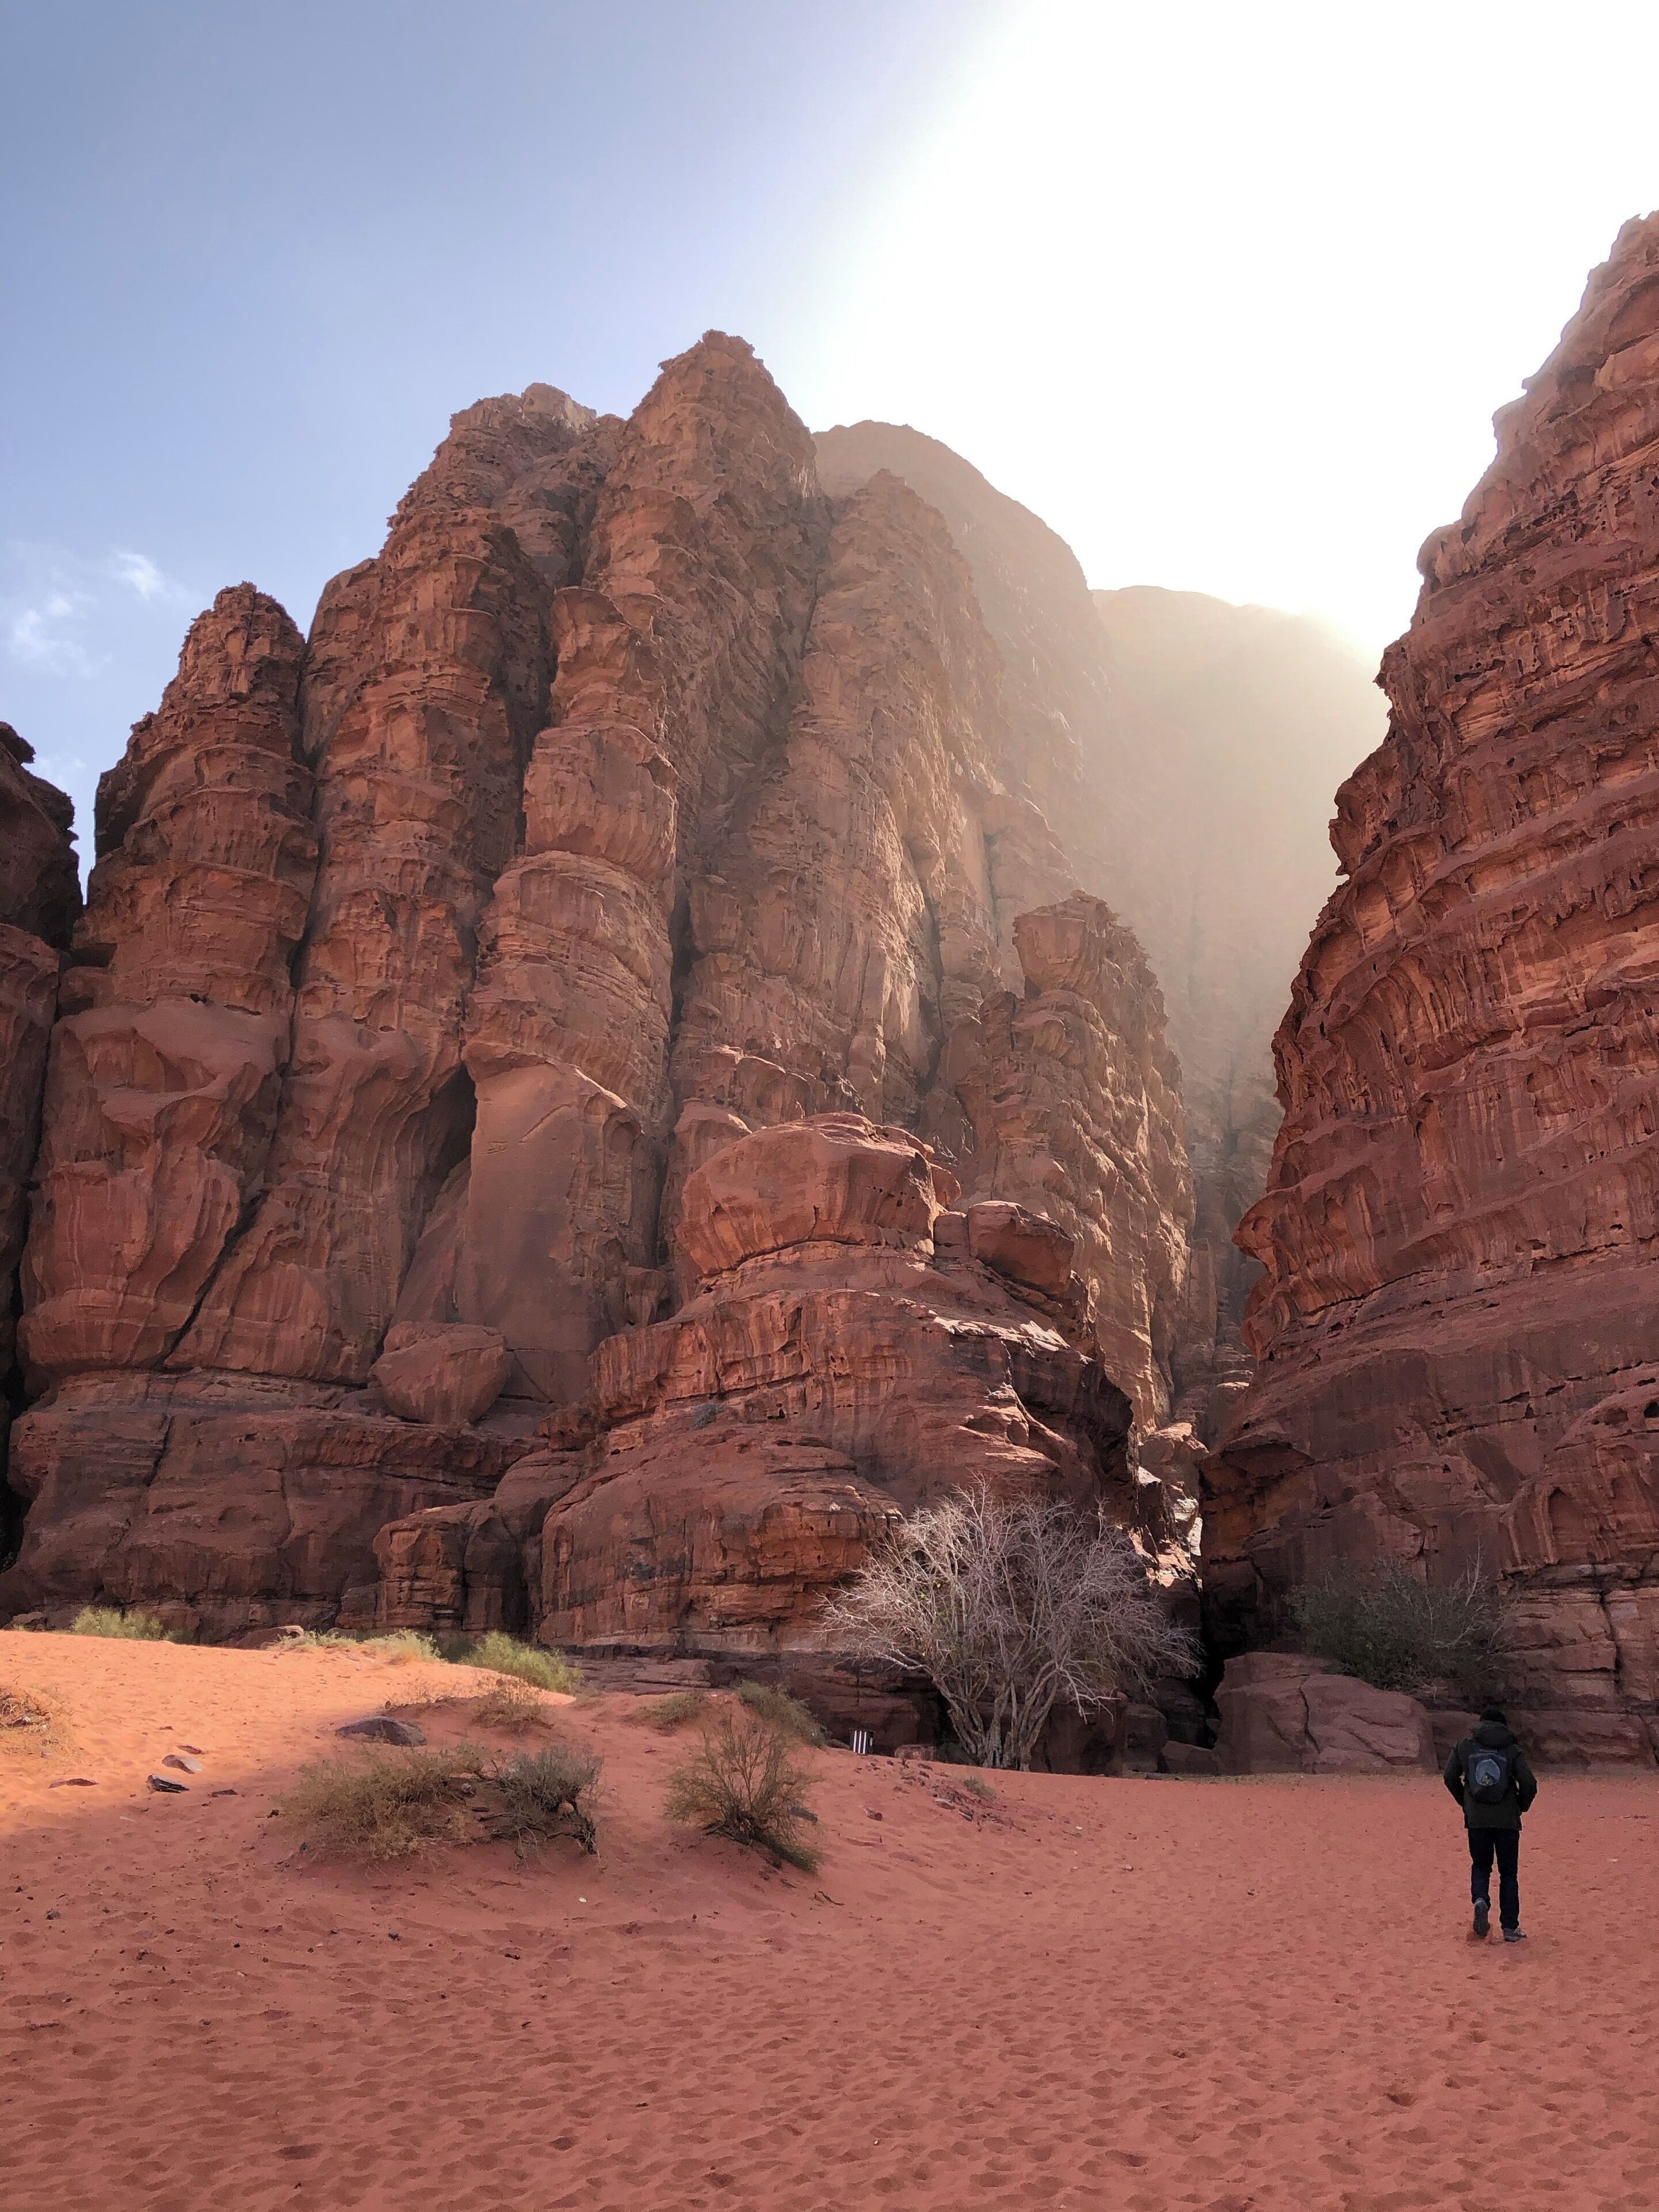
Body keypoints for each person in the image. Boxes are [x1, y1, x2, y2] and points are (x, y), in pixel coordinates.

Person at [1442, 1706, 1537, 1942]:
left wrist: (1465, 1802)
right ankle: (1510, 1928)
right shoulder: (1512, 1749)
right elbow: (1529, 1783)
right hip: (1507, 1821)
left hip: (1477, 1819)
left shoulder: (1465, 1746)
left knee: (1481, 1864)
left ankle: (1481, 1899)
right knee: (1508, 1873)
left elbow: (1449, 1776)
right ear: (1503, 1726)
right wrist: (1520, 1807)